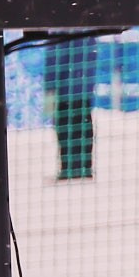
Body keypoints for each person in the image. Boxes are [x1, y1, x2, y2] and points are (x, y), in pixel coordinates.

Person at [44, 34, 97, 181]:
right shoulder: (89, 35)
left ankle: (69, 168)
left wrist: (50, 90)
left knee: (65, 132)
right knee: (84, 130)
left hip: (65, 93)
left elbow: (53, 65)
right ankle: (85, 167)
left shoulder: (58, 36)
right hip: (83, 92)